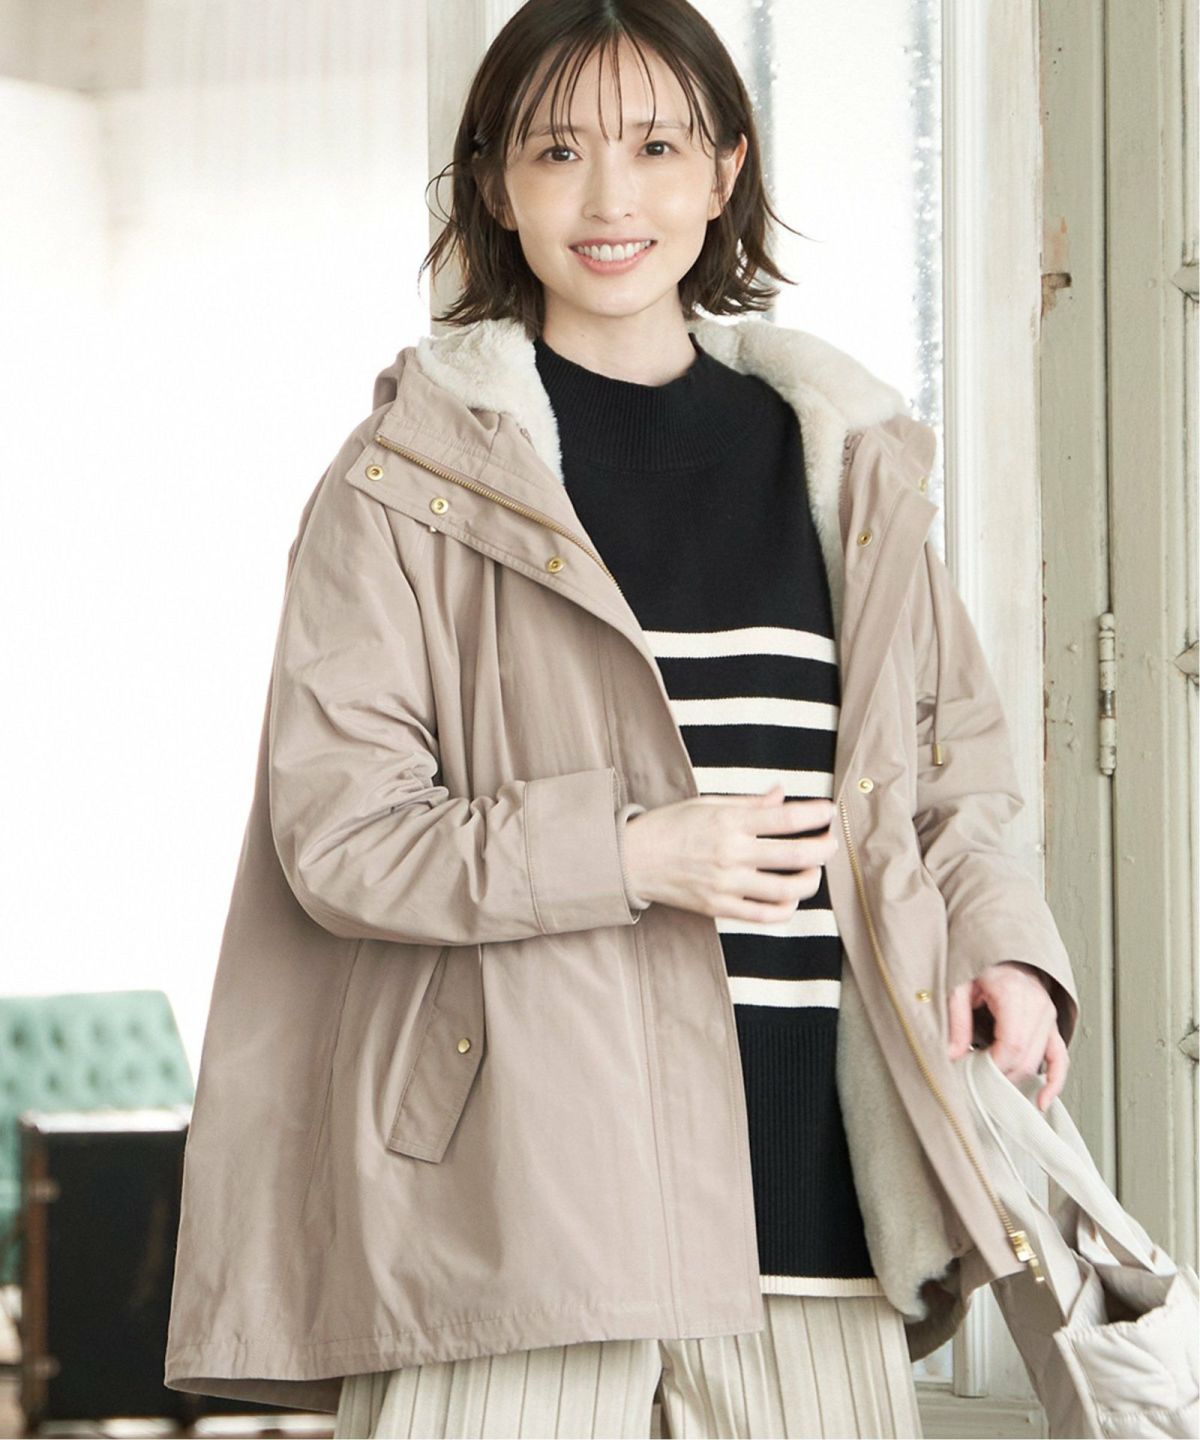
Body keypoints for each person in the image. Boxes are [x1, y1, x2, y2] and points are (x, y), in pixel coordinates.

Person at [163, 2, 1081, 1437]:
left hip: (820, 1209)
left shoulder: (848, 469)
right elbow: (341, 837)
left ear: (725, 170)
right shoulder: (404, 481)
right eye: (557, 151)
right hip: (520, 1221)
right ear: (494, 184)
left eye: (656, 147)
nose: (610, 198)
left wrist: (1006, 952)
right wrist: (638, 852)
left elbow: (951, 783)